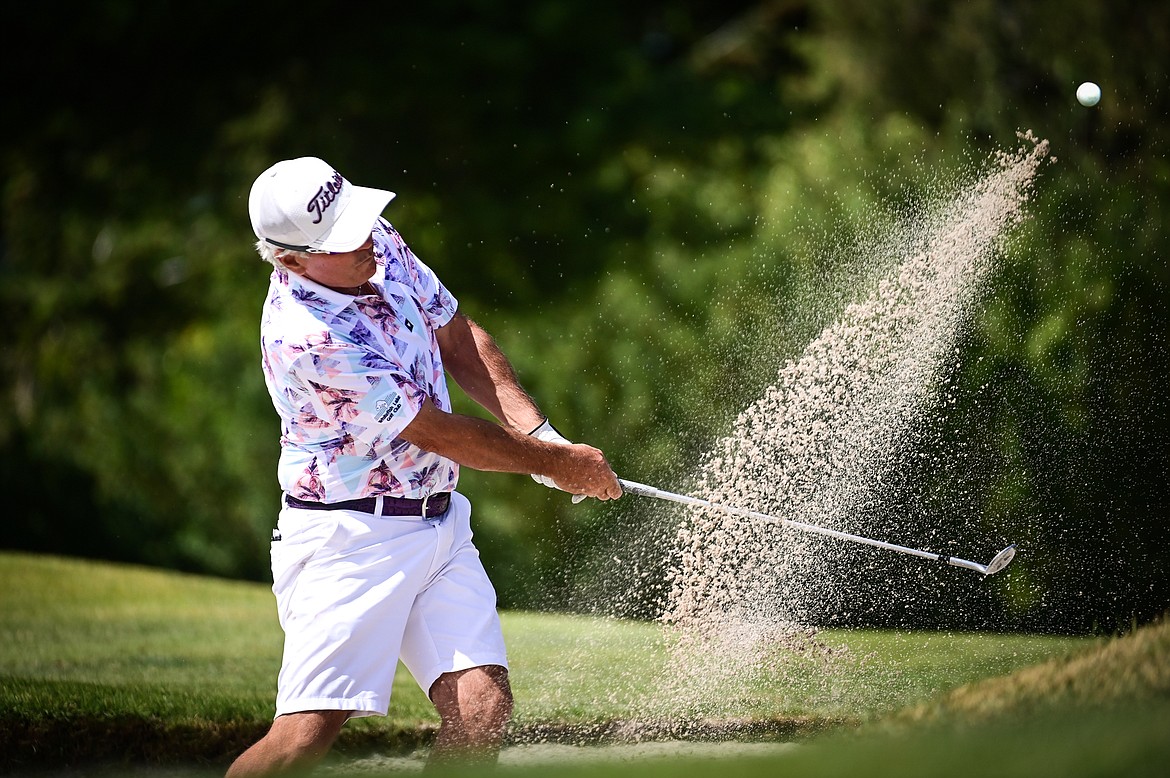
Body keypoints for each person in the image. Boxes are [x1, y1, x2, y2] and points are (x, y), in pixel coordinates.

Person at [228, 156, 623, 777]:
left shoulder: (372, 240)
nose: (362, 239)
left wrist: (544, 439)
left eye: (356, 221)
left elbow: (455, 334)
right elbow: (437, 433)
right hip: (351, 539)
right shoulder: (306, 337)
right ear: (291, 259)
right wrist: (556, 464)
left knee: (481, 710)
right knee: (304, 734)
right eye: (339, 239)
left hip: (438, 524)